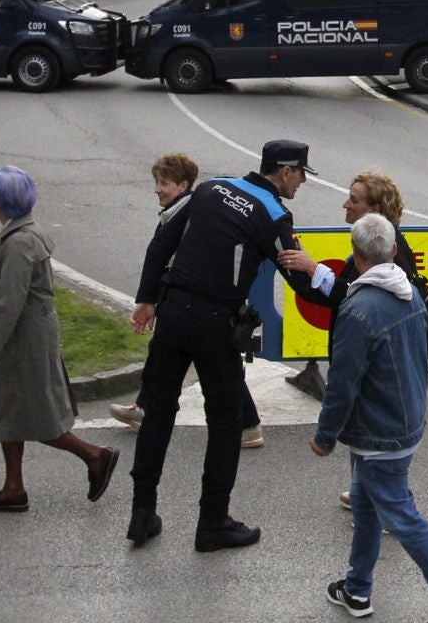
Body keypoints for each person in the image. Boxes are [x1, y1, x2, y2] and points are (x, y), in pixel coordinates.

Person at [124, 138, 320, 551]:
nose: (302, 182)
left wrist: (146, 299)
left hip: (173, 313)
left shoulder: (213, 187)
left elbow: (163, 242)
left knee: (157, 412)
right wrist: (334, 281)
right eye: (302, 174)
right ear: (285, 171)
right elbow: (301, 281)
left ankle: (142, 513)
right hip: (215, 322)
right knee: (227, 422)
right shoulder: (274, 215)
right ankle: (213, 522)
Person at [311, 213, 428, 623]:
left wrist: (325, 436)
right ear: (392, 249)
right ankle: (357, 590)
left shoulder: (358, 310)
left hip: (377, 431)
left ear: (355, 254)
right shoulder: (411, 293)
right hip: (406, 420)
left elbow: (343, 382)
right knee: (367, 507)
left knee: (401, 515)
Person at [0, 165, 120, 514]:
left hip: (24, 342)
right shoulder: (21, 233)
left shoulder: (19, 242)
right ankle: (13, 487)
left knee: (37, 414)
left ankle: (95, 456)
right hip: (27, 337)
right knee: (10, 409)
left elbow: (8, 304)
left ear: (1, 200)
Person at [277, 170, 419, 512]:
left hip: (379, 370)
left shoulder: (389, 253)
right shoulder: (376, 246)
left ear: (375, 209)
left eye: (354, 200)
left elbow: (357, 301)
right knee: (370, 447)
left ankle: (387, 508)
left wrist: (314, 269)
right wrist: (304, 271)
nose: (345, 204)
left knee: (378, 443)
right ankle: (365, 497)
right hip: (383, 372)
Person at [110, 153, 267, 449]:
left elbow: (160, 254)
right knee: (191, 361)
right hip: (190, 304)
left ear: (183, 185)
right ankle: (146, 407)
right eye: (157, 182)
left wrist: (148, 300)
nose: (157, 189)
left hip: (197, 306)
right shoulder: (182, 209)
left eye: (164, 183)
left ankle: (247, 426)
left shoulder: (190, 210)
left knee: (219, 367)